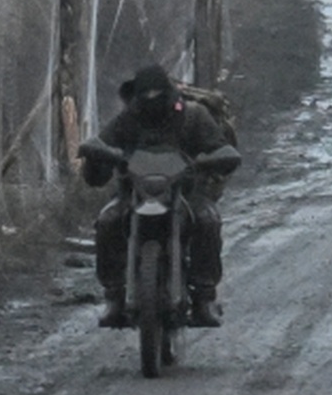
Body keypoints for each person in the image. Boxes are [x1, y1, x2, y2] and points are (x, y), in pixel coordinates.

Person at [80, 64, 237, 329]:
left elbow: (221, 148)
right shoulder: (128, 118)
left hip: (185, 191)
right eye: (146, 97)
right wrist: (98, 156)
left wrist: (212, 160)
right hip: (135, 192)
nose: (152, 103)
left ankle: (204, 297)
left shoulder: (193, 116)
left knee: (208, 221)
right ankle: (115, 297)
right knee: (107, 221)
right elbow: (103, 145)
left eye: (158, 95)